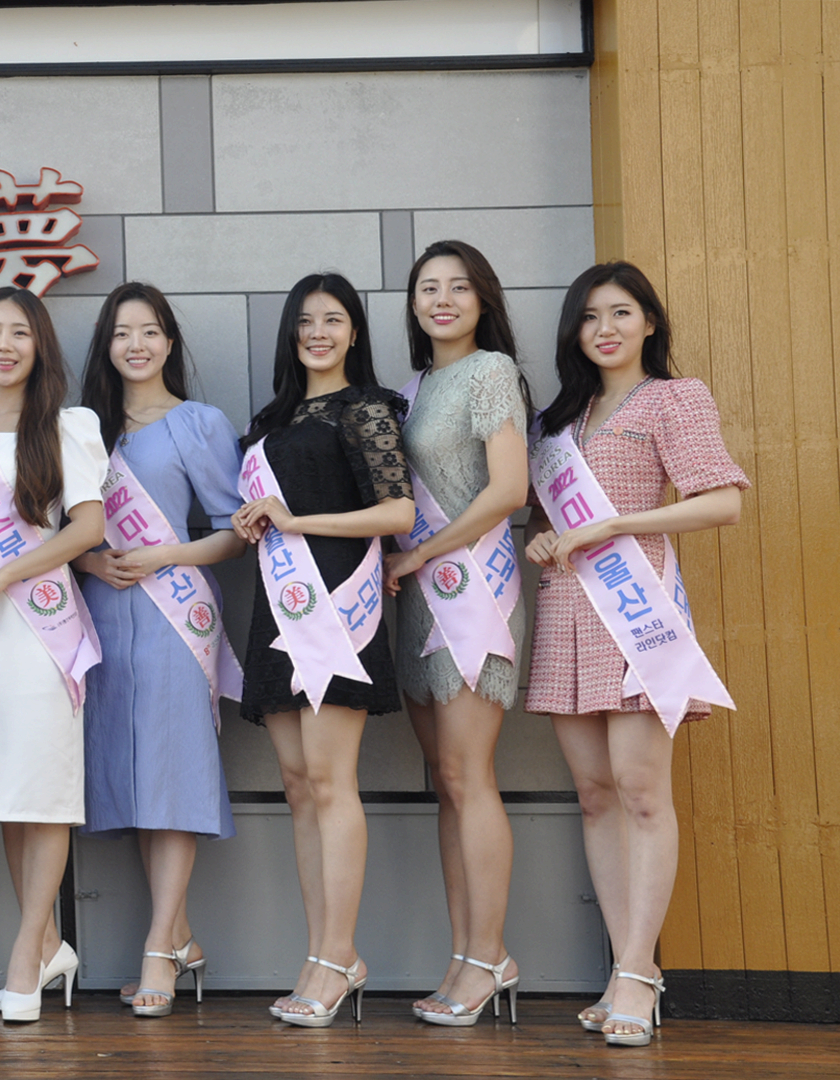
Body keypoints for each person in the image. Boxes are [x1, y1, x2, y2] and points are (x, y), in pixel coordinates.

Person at [524, 262, 746, 1048]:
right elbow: (546, 519)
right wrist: (547, 537)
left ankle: (637, 975)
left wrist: (617, 525)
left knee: (642, 791)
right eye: (590, 317)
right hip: (567, 610)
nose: (605, 329)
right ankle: (625, 966)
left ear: (649, 321)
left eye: (621, 312)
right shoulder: (558, 420)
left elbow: (723, 501)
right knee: (595, 796)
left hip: (636, 609)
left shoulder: (673, 399)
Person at [232, 274, 413, 1027]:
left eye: (333, 319)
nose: (318, 332)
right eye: (305, 321)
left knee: (332, 783)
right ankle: (320, 953)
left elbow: (397, 512)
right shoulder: (271, 418)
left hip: (338, 605)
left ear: (354, 331)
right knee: (299, 786)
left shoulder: (364, 408)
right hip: (278, 606)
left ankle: (339, 956)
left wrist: (296, 521)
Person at [73, 282, 243, 1018]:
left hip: (176, 619)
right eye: (121, 333)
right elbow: (57, 528)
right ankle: (180, 936)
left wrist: (165, 555)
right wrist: (90, 561)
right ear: (106, 346)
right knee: (137, 783)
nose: (135, 345)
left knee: (172, 776)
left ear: (170, 342)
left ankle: (158, 951)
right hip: (103, 620)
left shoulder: (198, 424)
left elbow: (235, 531)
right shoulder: (84, 430)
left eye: (148, 331)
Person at [0, 287, 106, 1023]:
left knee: (44, 793)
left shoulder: (68, 426)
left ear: (40, 346)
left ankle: (23, 959)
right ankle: (47, 946)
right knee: (11, 797)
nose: (4, 345)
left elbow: (87, 529)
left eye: (19, 333)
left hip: (43, 632)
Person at [383, 240, 531, 1027]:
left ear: (483, 299)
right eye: (428, 288)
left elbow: (509, 489)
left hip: (473, 594)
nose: (442, 299)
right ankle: (464, 952)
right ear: (412, 304)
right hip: (416, 602)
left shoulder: (490, 372)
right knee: (445, 779)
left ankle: (491, 954)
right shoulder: (412, 390)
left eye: (459, 287)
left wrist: (421, 553)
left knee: (470, 775)